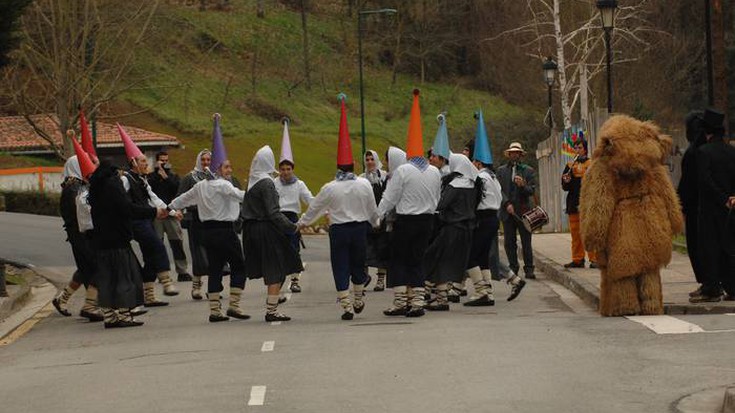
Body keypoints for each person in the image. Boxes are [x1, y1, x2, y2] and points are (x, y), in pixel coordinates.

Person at [298, 125, 379, 320]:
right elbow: (372, 208)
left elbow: (315, 207)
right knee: (359, 264)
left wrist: (301, 223)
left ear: (338, 166)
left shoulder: (330, 187)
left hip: (339, 231)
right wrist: (376, 222)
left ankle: (346, 305)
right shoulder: (364, 183)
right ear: (353, 164)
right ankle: (358, 298)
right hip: (359, 229)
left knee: (340, 265)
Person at [377, 89, 441, 317]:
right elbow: (436, 197)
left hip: (406, 220)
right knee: (417, 259)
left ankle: (400, 301)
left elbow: (390, 198)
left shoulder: (403, 171)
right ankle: (418, 302)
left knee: (399, 260)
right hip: (426, 220)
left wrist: (377, 215)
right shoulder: (434, 171)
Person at [169, 159, 252, 322]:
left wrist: (168, 208)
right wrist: (254, 188)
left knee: (215, 268)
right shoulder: (223, 185)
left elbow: (183, 199)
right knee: (239, 265)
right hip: (225, 230)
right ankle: (234, 306)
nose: (230, 170)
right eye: (226, 167)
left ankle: (215, 310)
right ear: (218, 170)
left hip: (207, 231)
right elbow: (242, 196)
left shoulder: (200, 186)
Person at [89, 159, 168, 328]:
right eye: (118, 171)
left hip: (101, 241)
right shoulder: (113, 186)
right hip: (117, 240)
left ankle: (109, 316)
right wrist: (154, 212)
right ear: (113, 172)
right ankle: (124, 315)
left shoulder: (96, 188)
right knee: (125, 278)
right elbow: (128, 209)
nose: (121, 175)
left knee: (108, 279)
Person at [118, 125, 180, 308]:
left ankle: (149, 296)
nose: (147, 164)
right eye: (143, 161)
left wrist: (172, 211)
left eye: (146, 161)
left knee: (150, 257)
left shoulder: (143, 180)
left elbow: (154, 199)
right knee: (157, 245)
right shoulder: (125, 179)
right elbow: (123, 202)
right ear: (134, 163)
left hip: (146, 220)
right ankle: (167, 281)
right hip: (135, 222)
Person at [242, 145, 303, 322]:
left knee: (272, 267)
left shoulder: (252, 180)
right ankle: (272, 310)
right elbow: (274, 212)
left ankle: (272, 305)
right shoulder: (267, 183)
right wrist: (292, 227)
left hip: (251, 229)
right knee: (276, 268)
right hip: (265, 229)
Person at [52, 145, 103, 322]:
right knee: (96, 266)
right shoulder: (73, 189)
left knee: (85, 268)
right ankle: (90, 305)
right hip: (81, 235)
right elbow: (81, 213)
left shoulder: (77, 185)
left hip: (79, 234)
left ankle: (62, 299)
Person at [424, 153, 480, 311]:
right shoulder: (472, 184)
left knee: (436, 258)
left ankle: (438, 298)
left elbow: (441, 204)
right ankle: (442, 297)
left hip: (452, 228)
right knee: (450, 261)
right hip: (466, 228)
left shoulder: (454, 185)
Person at [691, 108, 735, 303]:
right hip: (730, 208)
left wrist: (721, 197)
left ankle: (711, 287)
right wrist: (730, 197)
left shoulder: (703, 152)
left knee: (709, 248)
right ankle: (732, 286)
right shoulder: (731, 151)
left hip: (710, 208)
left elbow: (705, 181)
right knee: (729, 247)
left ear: (707, 132)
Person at [274, 120, 314, 293]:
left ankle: (295, 279)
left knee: (293, 249)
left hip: (291, 218)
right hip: (278, 218)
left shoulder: (299, 184)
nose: (285, 172)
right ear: (279, 170)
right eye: (282, 169)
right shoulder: (273, 183)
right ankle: (279, 278)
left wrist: (321, 208)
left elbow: (309, 199)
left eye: (288, 168)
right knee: (278, 250)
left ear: (292, 169)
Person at [148, 151, 191, 282]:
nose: (164, 163)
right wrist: (158, 175)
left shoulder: (173, 176)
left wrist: (166, 177)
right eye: (161, 160)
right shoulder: (150, 177)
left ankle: (182, 270)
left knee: (177, 242)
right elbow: (149, 194)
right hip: (158, 215)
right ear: (157, 161)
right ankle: (160, 272)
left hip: (172, 213)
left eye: (166, 160)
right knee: (157, 244)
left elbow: (178, 190)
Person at [497, 142, 537, 280]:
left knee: (526, 242)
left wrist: (523, 185)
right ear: (509, 155)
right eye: (512, 152)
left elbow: (531, 191)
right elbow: (499, 190)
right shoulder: (501, 171)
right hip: (508, 212)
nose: (514, 155)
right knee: (509, 242)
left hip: (523, 211)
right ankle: (513, 267)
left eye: (517, 153)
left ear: (520, 155)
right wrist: (506, 203)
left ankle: (529, 268)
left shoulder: (528, 170)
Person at [677, 111, 706, 295]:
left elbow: (687, 183)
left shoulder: (692, 153)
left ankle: (707, 282)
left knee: (697, 246)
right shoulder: (711, 149)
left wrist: (680, 204)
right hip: (717, 206)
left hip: (695, 208)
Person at [178, 149, 212, 300]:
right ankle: (196, 285)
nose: (206, 163)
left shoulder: (215, 177)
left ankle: (213, 286)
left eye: (208, 160)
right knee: (198, 253)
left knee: (213, 253)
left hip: (212, 220)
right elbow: (181, 197)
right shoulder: (190, 178)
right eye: (203, 160)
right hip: (195, 219)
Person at [561, 137, 598, 269]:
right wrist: (566, 180)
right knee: (575, 233)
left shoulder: (592, 164)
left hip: (588, 203)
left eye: (580, 148)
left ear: (585, 149)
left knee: (590, 232)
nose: (577, 150)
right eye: (575, 148)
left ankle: (595, 259)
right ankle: (577, 259)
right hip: (573, 202)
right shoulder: (570, 165)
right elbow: (565, 187)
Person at [360, 149, 389, 291]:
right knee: (364, 248)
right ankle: (364, 277)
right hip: (366, 218)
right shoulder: (361, 179)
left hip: (382, 216)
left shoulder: (384, 177)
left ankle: (381, 279)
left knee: (382, 248)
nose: (370, 162)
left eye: (372, 159)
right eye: (367, 160)